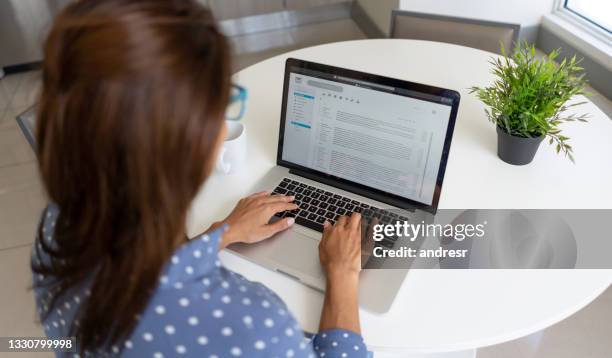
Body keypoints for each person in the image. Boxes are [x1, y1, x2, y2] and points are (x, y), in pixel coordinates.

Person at [31, 0, 367, 357]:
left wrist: (222, 234)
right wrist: (343, 277)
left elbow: (150, 273)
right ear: (187, 146)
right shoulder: (250, 327)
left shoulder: (57, 227)